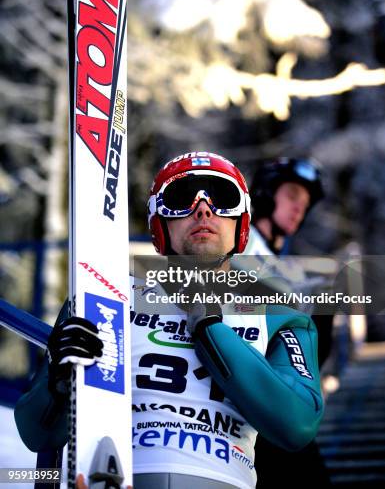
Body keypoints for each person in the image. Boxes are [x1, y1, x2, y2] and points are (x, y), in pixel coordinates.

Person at [15, 152, 324, 489]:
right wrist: (58, 384)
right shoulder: (105, 295)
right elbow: (37, 434)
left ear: (242, 223)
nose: (203, 210)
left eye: (222, 199)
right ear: (158, 226)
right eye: (181, 198)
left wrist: (211, 330)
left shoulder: (278, 310)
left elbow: (298, 424)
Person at [245, 157, 332, 488]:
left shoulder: (271, 258)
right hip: (247, 400)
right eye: (293, 195)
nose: (300, 208)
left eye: (305, 203)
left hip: (267, 397)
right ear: (267, 193)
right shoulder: (243, 244)